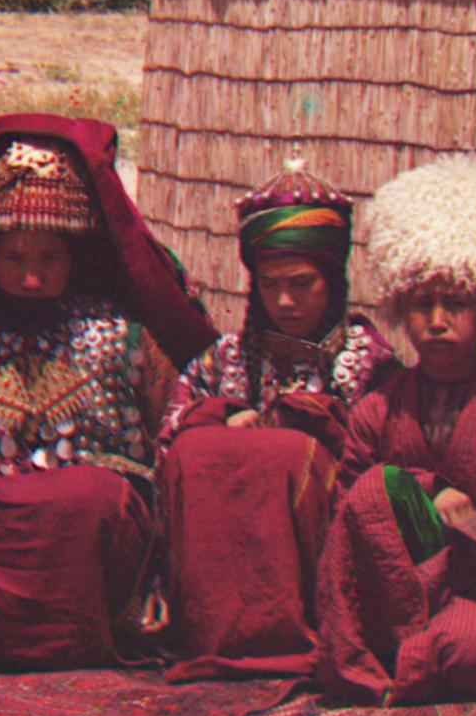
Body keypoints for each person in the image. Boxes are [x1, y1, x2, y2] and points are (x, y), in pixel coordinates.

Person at [0, 119, 213, 669]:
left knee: (94, 498)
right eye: (15, 260)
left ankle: (76, 638)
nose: (31, 279)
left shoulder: (122, 333)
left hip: (75, 508)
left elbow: (173, 436)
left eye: (49, 261)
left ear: (75, 257)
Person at [311, 154, 476, 705]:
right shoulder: (377, 408)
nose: (435, 321)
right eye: (420, 304)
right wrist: (424, 491)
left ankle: (413, 656)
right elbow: (348, 510)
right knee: (378, 486)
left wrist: (473, 537)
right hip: (392, 591)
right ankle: (404, 651)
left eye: (455, 304)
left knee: (468, 648)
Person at [153, 164, 385, 679]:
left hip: (314, 563)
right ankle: (212, 630)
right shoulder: (223, 361)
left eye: (303, 284)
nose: (284, 302)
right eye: (269, 284)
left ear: (334, 279)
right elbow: (169, 445)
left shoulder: (371, 362)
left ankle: (294, 629)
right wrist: (221, 423)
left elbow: (380, 468)